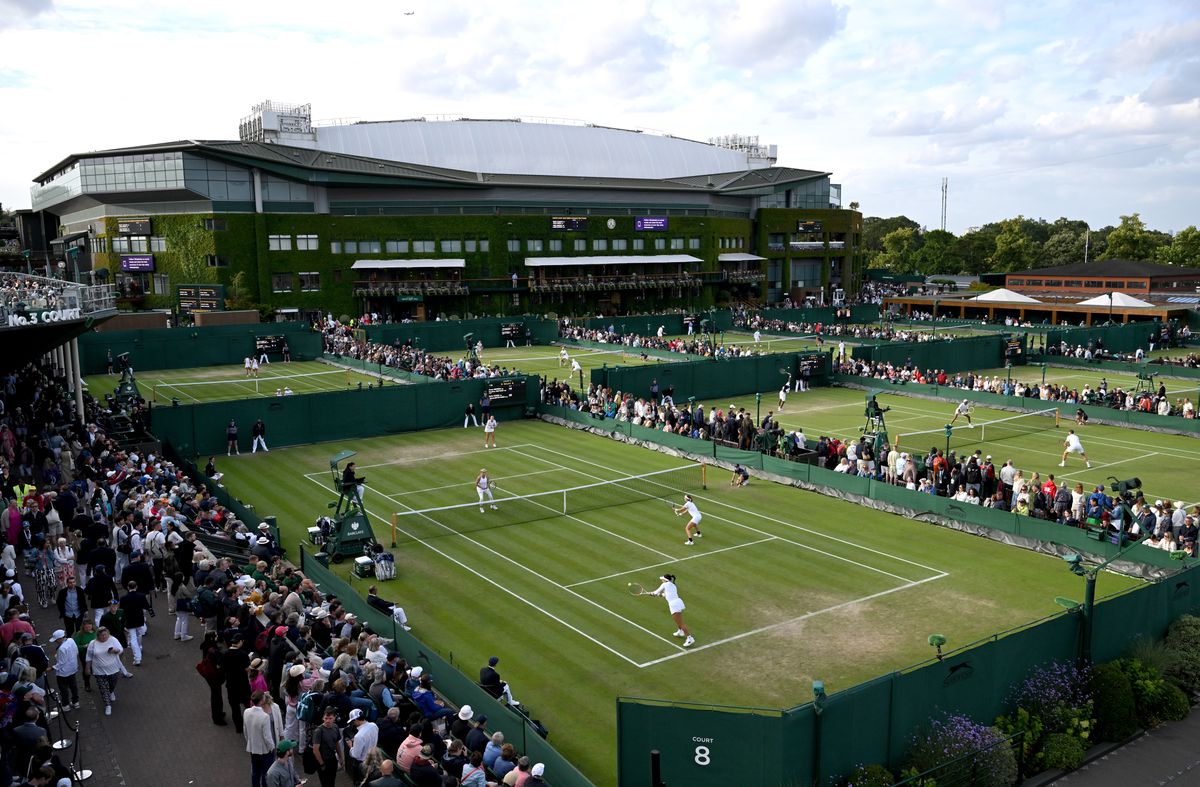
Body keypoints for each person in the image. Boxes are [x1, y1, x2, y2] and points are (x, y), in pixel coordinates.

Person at [245, 690, 284, 787]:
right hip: (266, 749)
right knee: (266, 773)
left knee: (255, 772)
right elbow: (267, 737)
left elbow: (245, 730)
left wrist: (250, 742)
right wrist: (272, 748)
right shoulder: (264, 717)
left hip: (254, 749)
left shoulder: (247, 712)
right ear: (262, 700)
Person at [84, 626, 124, 716]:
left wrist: (115, 650)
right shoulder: (93, 643)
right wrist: (87, 668)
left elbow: (121, 650)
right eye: (102, 635)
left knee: (112, 683)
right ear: (98, 636)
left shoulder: (113, 640)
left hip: (113, 668)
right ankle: (107, 705)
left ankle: (111, 691)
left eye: (105, 635)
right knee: (102, 687)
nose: (104, 637)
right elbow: (89, 656)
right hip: (99, 670)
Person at [647, 573, 694, 647]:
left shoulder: (664, 584)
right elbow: (665, 595)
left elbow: (656, 592)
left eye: (662, 579)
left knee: (680, 622)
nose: (661, 580)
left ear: (665, 580)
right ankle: (680, 631)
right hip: (678, 602)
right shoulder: (672, 585)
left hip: (674, 605)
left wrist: (652, 594)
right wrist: (658, 594)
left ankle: (690, 638)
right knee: (677, 620)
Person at [310, 707, 344, 787]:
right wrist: (322, 764)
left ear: (334, 718)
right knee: (325, 783)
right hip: (323, 761)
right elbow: (315, 750)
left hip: (332, 759)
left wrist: (340, 757)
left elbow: (336, 744)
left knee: (332, 781)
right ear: (323, 718)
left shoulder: (335, 727)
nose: (328, 720)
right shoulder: (318, 731)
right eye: (326, 718)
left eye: (330, 718)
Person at [48, 629, 80, 709]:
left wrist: (52, 668)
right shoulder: (71, 640)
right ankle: (76, 702)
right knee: (73, 686)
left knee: (63, 689)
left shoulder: (62, 648)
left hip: (63, 672)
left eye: (56, 640)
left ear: (60, 638)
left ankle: (65, 705)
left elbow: (61, 663)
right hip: (73, 668)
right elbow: (76, 651)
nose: (55, 642)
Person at [347, 707, 379, 782]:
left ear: (356, 720)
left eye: (353, 721)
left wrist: (351, 746)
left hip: (362, 764)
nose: (353, 724)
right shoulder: (374, 725)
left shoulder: (358, 736)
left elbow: (356, 755)